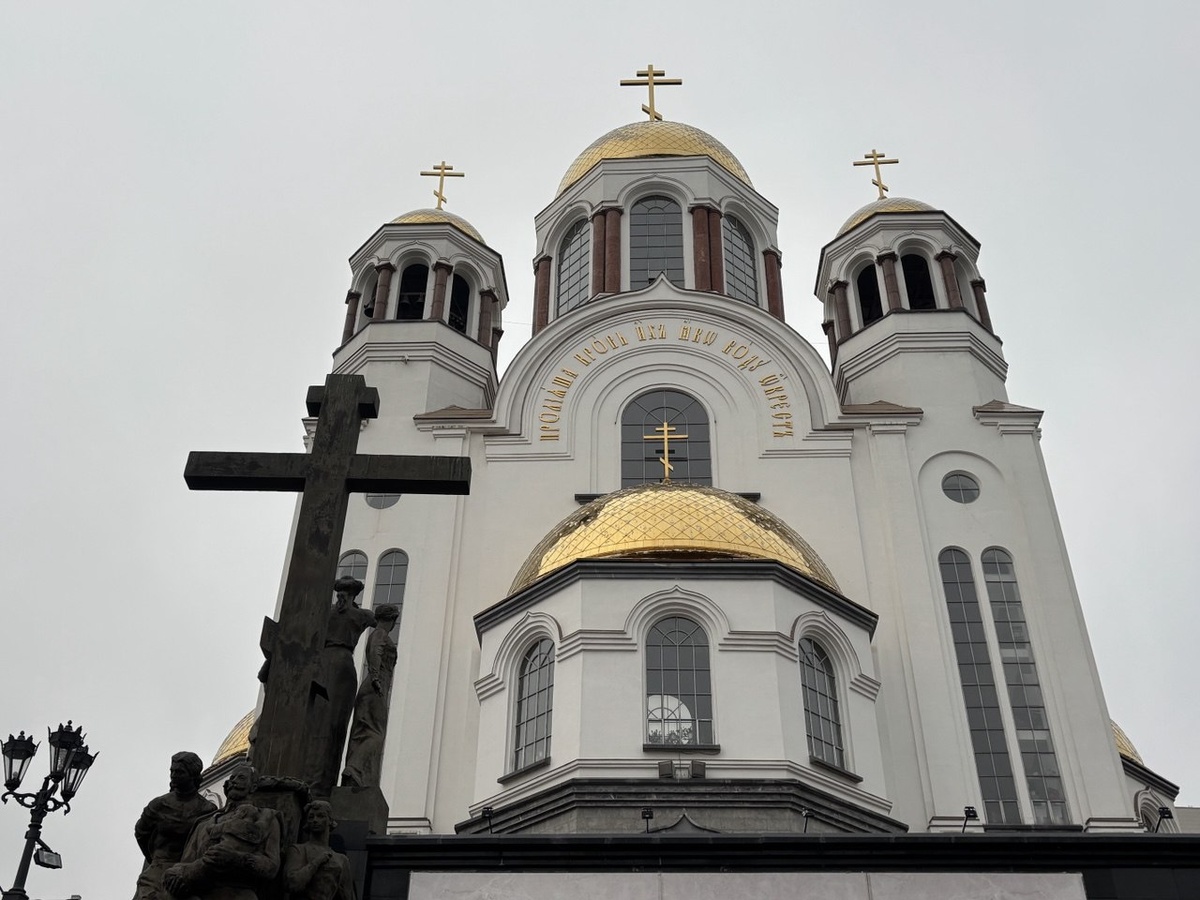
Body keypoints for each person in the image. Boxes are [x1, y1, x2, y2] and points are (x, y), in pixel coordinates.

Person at [162, 763, 281, 900]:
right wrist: (177, 880)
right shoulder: (203, 824)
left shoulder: (266, 818)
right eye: (232, 778)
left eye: (241, 778)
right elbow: (186, 862)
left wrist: (236, 859)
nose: (234, 781)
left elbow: (271, 867)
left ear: (253, 786)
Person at [309, 576, 376, 795]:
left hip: (323, 664)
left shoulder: (324, 612)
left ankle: (315, 780)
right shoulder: (360, 615)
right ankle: (323, 783)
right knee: (333, 727)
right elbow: (377, 619)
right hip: (342, 665)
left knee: (323, 724)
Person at [133, 751, 217, 900]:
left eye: (180, 772)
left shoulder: (207, 809)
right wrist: (155, 858)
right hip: (158, 869)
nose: (173, 775)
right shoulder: (159, 804)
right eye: (172, 771)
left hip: (187, 872)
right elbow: (141, 833)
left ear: (192, 775)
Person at [341, 604, 400, 788]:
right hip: (376, 686)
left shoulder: (376, 634)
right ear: (392, 619)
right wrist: (375, 677)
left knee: (363, 731)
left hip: (372, 687)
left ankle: (358, 774)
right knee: (375, 734)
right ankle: (354, 768)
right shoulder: (380, 634)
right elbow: (376, 652)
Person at [282, 800, 356, 900]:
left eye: (320, 816)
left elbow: (348, 895)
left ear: (330, 820)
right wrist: (317, 862)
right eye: (311, 817)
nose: (315, 820)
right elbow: (292, 884)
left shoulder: (342, 860)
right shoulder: (298, 850)